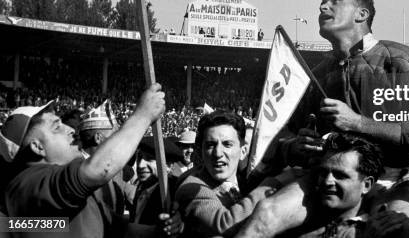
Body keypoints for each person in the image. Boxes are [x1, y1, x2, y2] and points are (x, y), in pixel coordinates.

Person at [237, 0, 409, 238]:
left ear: (361, 14)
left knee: (394, 226)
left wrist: (356, 122)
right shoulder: (318, 73)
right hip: (330, 177)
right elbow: (288, 134)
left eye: (335, 0)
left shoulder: (399, 58)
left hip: (395, 176)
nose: (323, 6)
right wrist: (296, 145)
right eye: (322, 2)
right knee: (266, 213)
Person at [1, 84, 182, 238]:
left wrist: (160, 230)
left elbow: (117, 228)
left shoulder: (51, 204)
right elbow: (100, 169)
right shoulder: (27, 183)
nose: (71, 130)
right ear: (37, 147)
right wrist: (143, 115)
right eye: (56, 127)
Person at [174, 110, 301, 238]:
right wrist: (273, 185)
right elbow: (225, 225)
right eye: (210, 145)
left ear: (243, 151)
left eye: (227, 144)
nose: (218, 153)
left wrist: (293, 149)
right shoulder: (192, 187)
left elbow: (270, 164)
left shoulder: (245, 179)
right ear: (201, 151)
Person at [289, 132, 386, 238]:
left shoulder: (374, 231)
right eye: (323, 172)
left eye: (340, 175)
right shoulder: (296, 221)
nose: (327, 181)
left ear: (366, 185)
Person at [131, 136, 184, 226]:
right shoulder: (142, 187)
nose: (140, 165)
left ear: (168, 165)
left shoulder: (172, 192)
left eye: (150, 158)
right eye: (139, 157)